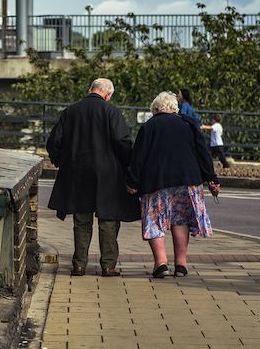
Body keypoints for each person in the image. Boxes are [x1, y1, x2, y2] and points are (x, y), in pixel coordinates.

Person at [46, 78, 140, 277]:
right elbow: (122, 141)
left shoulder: (70, 111)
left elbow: (54, 141)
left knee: (81, 219)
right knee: (108, 219)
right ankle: (108, 265)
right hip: (107, 173)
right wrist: (127, 165)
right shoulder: (111, 111)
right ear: (107, 94)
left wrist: (61, 160)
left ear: (91, 89)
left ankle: (79, 264)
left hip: (77, 171)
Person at [126, 91, 220, 278]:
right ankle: (181, 264)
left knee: (155, 220)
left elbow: (138, 156)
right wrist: (212, 179)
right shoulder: (189, 124)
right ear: (175, 109)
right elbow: (203, 153)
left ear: (155, 109)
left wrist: (132, 180)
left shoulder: (149, 126)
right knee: (181, 220)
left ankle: (161, 264)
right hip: (187, 180)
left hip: (156, 181)